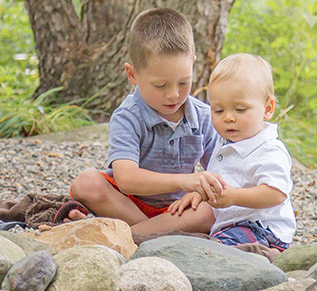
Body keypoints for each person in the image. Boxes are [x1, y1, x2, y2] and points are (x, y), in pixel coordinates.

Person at [53, 8, 225, 243]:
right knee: (87, 183)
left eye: (183, 82)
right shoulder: (128, 116)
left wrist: (197, 190)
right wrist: (184, 181)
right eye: (160, 85)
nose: (173, 95)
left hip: (175, 210)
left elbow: (221, 170)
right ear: (132, 74)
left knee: (211, 209)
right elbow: (127, 179)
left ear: (193, 65)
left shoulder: (204, 117)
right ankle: (156, 234)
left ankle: (126, 235)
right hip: (126, 203)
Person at [167, 53, 295, 252]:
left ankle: (258, 257)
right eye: (218, 111)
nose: (228, 118)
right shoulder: (226, 142)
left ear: (267, 109)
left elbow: (276, 193)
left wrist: (235, 196)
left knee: (216, 250)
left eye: (240, 110)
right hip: (231, 226)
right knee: (200, 243)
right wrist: (200, 193)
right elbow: (226, 179)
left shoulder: (268, 149)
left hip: (262, 227)